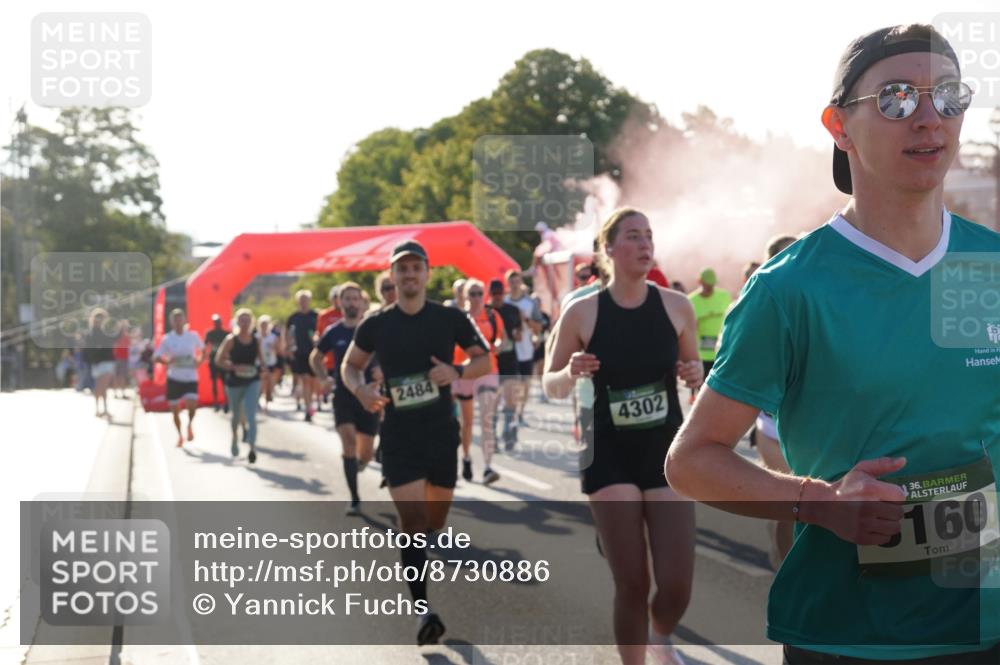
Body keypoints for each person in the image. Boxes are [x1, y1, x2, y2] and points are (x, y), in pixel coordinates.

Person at [666, 24, 1000, 664]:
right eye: (897, 98)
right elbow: (691, 459)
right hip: (850, 635)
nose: (929, 118)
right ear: (838, 126)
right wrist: (818, 502)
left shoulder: (986, 264)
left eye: (950, 96)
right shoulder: (790, 290)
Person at [544, 208, 703, 665]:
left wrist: (694, 373)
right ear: (608, 250)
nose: (644, 243)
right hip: (608, 453)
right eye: (633, 236)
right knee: (632, 581)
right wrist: (569, 373)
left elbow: (695, 375)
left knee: (675, 584)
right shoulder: (583, 311)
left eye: (649, 235)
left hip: (664, 453)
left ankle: (660, 632)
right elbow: (549, 384)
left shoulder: (676, 306)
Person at [341, 240, 490, 646]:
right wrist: (360, 393)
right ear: (392, 276)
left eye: (415, 268)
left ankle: (425, 563)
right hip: (400, 437)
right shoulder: (377, 322)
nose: (409, 275)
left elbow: (485, 360)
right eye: (401, 269)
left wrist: (455, 370)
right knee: (413, 524)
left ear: (426, 273)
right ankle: (424, 611)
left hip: (442, 433)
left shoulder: (449, 317)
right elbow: (349, 366)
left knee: (435, 522)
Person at [312, 282, 379, 514]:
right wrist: (323, 378)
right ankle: (354, 497)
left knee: (367, 451)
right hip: (343, 395)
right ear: (339, 303)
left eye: (355, 298)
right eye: (347, 299)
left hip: (369, 396)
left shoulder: (371, 329)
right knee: (348, 441)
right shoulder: (334, 332)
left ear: (362, 302)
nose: (351, 303)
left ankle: (361, 463)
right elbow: (315, 357)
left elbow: (385, 355)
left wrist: (381, 373)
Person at [452, 278, 507, 485]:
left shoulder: (492, 315)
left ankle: (487, 467)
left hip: (488, 369)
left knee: (486, 419)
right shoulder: (459, 318)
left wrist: (499, 345)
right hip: (464, 372)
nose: (476, 298)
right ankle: (465, 457)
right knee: (466, 423)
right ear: (464, 295)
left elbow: (501, 337)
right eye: (472, 293)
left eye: (479, 293)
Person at [215, 308, 263, 463]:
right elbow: (219, 360)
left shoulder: (256, 340)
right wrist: (234, 367)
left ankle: (252, 448)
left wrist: (266, 371)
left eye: (247, 320)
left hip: (252, 380)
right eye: (242, 320)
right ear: (237, 322)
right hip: (235, 381)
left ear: (252, 322)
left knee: (251, 414)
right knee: (236, 415)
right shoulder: (231, 339)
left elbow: (262, 361)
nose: (245, 323)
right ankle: (235, 438)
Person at [504, 270, 544, 449]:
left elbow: (539, 327)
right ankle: (511, 418)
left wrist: (525, 320)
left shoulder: (529, 303)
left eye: (517, 281)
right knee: (512, 388)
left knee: (525, 386)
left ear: (521, 282)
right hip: (509, 353)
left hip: (526, 351)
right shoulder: (503, 302)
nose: (514, 284)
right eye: (511, 281)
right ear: (508, 283)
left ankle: (519, 414)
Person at [154, 309, 204, 447]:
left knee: (192, 406)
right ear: (171, 322)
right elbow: (156, 357)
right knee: (175, 411)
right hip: (174, 378)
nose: (178, 322)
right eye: (175, 319)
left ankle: (189, 425)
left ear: (184, 320)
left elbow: (203, 351)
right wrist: (167, 362)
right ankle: (180, 435)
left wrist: (199, 361)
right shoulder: (167, 338)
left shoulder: (193, 336)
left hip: (190, 377)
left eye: (180, 318)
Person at [488, 278, 524, 451]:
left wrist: (517, 334)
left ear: (504, 293)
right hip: (492, 362)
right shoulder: (485, 312)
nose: (497, 297)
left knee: (511, 400)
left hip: (510, 360)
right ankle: (493, 437)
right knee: (493, 402)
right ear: (490, 295)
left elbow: (520, 332)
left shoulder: (512, 310)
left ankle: (509, 433)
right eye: (494, 294)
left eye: (499, 293)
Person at [686, 268, 732, 403]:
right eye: (707, 285)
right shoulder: (691, 300)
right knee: (705, 390)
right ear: (699, 282)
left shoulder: (724, 296)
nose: (710, 288)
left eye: (712, 285)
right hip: (702, 353)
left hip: (722, 350)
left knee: (722, 389)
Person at [287, 290, 319, 422]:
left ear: (309, 301)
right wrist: (288, 347)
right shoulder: (293, 317)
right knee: (305, 379)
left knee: (312, 381)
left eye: (305, 300)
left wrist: (317, 340)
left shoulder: (316, 315)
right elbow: (287, 334)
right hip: (299, 352)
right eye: (301, 300)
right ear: (298, 301)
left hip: (315, 353)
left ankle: (309, 402)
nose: (303, 302)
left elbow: (321, 332)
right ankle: (308, 409)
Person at [81, 308, 117, 417]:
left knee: (103, 387)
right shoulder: (92, 333)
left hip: (104, 362)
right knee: (99, 387)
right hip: (99, 363)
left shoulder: (104, 331)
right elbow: (89, 349)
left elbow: (114, 340)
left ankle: (104, 409)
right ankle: (98, 409)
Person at [317, 285, 344, 407]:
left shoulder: (350, 313)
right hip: (330, 360)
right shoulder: (324, 315)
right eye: (334, 297)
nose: (337, 300)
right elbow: (320, 334)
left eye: (339, 297)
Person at [203, 314, 230, 412]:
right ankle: (216, 402)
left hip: (222, 361)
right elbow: (205, 345)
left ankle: (226, 402)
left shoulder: (226, 333)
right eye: (215, 322)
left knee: (225, 382)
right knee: (214, 382)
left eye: (218, 322)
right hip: (213, 360)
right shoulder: (210, 333)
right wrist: (204, 356)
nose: (217, 324)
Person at [258, 315, 281, 413]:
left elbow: (279, 349)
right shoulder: (256, 337)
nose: (264, 326)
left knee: (269, 383)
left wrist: (273, 347)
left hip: (271, 361)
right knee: (261, 382)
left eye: (266, 324)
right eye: (262, 324)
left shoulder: (273, 337)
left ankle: (267, 402)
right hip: (259, 363)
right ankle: (259, 400)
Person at [112, 319, 131, 398]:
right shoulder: (116, 336)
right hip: (116, 358)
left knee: (122, 376)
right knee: (116, 376)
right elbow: (114, 347)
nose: (124, 328)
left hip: (124, 358)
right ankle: (116, 393)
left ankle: (123, 393)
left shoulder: (127, 336)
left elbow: (129, 347)